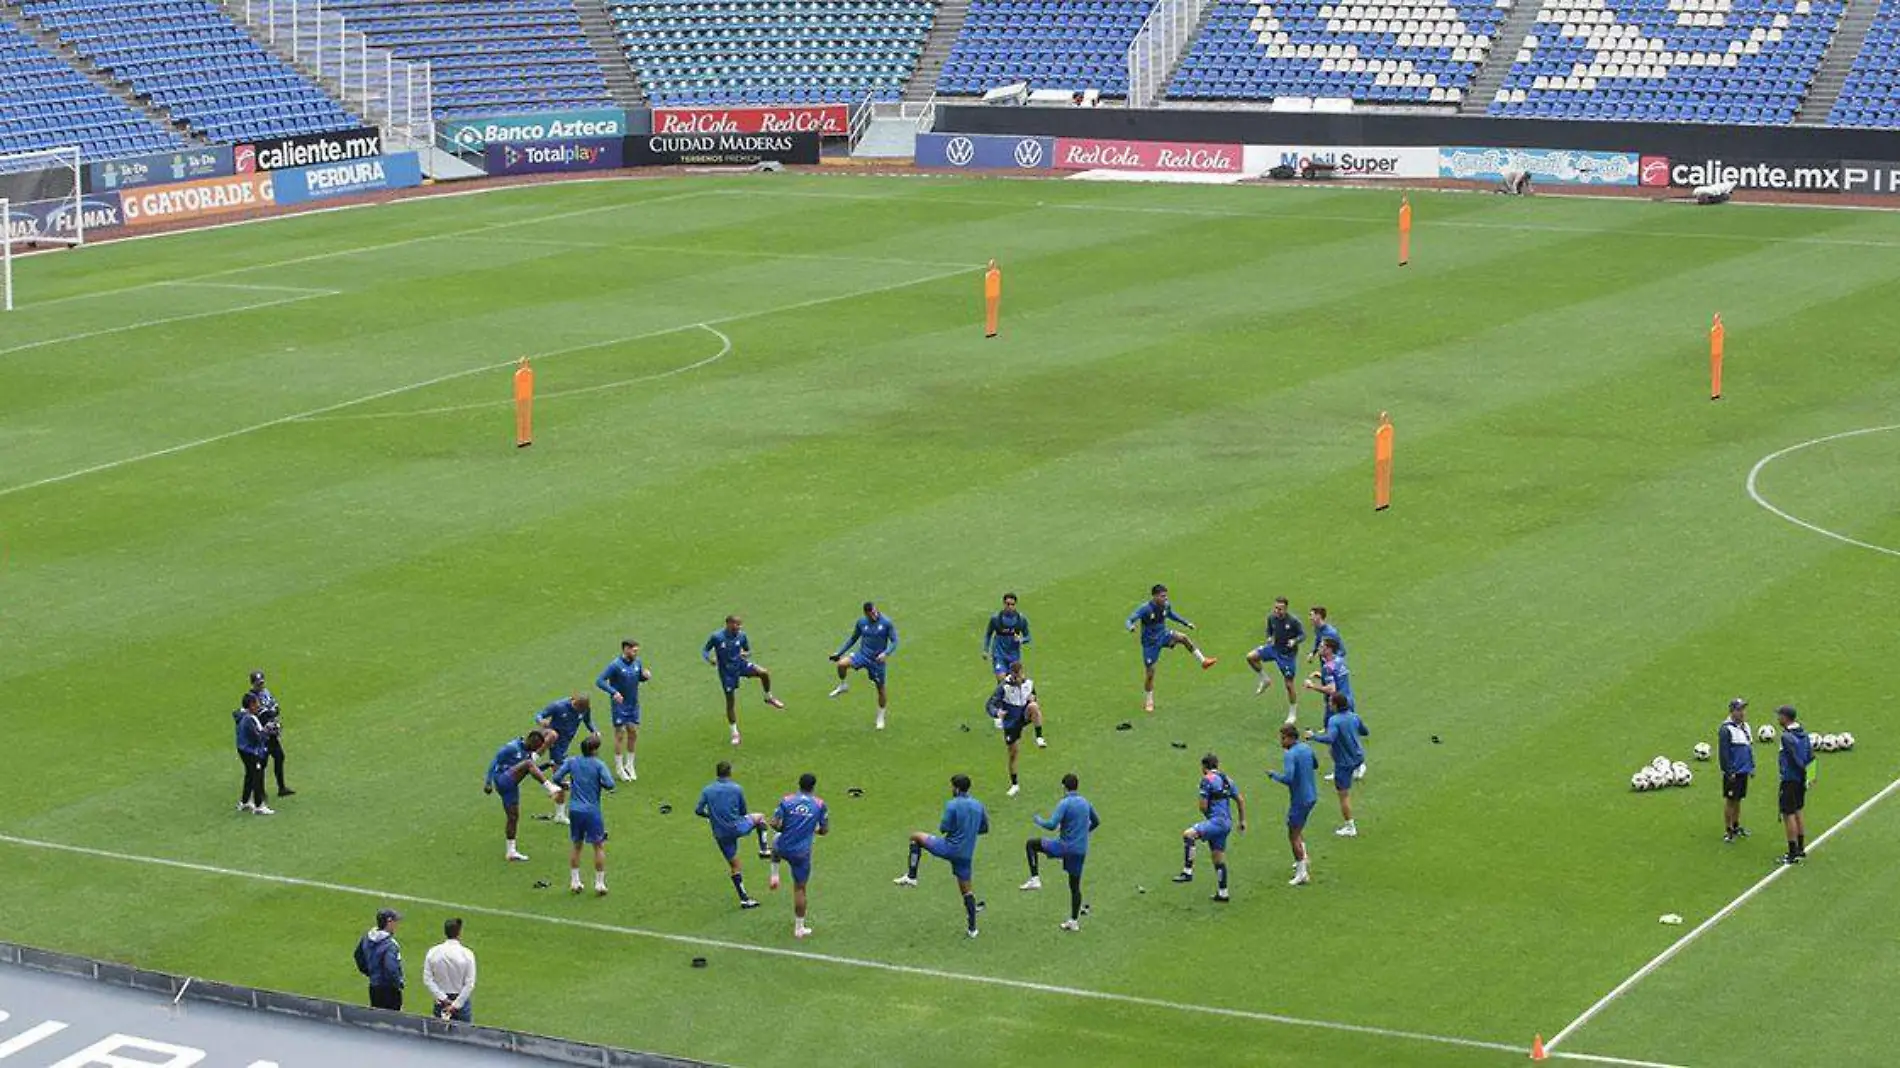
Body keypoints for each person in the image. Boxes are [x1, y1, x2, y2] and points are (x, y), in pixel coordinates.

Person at [893, 774, 990, 938]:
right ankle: (973, 929)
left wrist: (956, 830)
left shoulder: (952, 805)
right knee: (967, 890)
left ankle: (912, 876)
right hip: (966, 854)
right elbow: (984, 828)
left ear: (957, 788)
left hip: (949, 847)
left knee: (915, 837)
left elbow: (943, 828)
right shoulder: (978, 805)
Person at [1022, 773, 1100, 931]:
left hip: (1065, 847)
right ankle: (1073, 921)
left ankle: (1035, 878)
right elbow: (1096, 821)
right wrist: (1084, 832)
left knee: (1031, 844)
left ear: (1064, 787)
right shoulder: (1085, 802)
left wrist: (1038, 820)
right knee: (1075, 885)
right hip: (1080, 850)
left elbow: (1051, 825)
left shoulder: (1065, 803)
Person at [1125, 584, 1216, 713]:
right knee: (1150, 674)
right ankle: (1149, 701)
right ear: (1155, 596)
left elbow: (1171, 615)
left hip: (1164, 635)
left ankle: (1203, 661)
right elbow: (1129, 620)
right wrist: (1131, 627)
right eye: (1162, 596)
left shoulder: (1166, 605)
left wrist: (1186, 623)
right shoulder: (1145, 609)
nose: (1165, 598)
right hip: (1150, 644)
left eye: (1166, 595)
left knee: (1183, 638)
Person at [695, 761, 769, 909]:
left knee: (735, 865)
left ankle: (744, 899)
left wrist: (711, 816)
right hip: (736, 827)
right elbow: (743, 812)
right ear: (730, 772)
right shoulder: (736, 788)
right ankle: (764, 849)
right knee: (759, 817)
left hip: (720, 833)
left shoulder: (707, 790)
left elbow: (698, 810)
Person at [1173, 754, 1246, 902]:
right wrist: (1242, 820)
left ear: (1204, 767)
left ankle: (1187, 872)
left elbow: (1202, 806)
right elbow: (1240, 799)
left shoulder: (1207, 780)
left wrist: (1208, 817)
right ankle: (1223, 893)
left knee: (1188, 835)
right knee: (1218, 858)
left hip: (1216, 822)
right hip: (1226, 823)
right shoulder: (1227, 779)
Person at [703, 615, 784, 747]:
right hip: (727, 673)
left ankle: (768, 697)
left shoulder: (741, 636)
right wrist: (709, 659)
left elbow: (747, 650)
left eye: (740, 625)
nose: (739, 628)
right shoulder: (717, 637)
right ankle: (735, 733)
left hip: (740, 665)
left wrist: (746, 654)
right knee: (730, 702)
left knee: (764, 673)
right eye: (736, 625)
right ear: (728, 624)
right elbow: (704, 650)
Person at [554, 734, 617, 895]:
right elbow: (610, 784)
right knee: (598, 846)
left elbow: (556, 777)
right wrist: (599, 783)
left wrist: (567, 784)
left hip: (574, 809)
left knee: (577, 845)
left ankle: (575, 881)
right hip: (591, 811)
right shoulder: (598, 765)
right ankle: (599, 884)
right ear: (594, 750)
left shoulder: (572, 761)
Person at [769, 773, 829, 939]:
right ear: (813, 786)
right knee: (800, 889)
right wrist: (813, 829)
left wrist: (785, 830)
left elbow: (773, 823)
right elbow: (825, 830)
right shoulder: (819, 804)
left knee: (776, 841)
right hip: (801, 853)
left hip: (783, 847)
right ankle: (799, 928)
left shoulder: (787, 800)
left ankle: (774, 875)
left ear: (799, 784)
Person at [483, 729, 558, 862]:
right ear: (531, 740)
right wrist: (488, 782)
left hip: (511, 785)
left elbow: (533, 770)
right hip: (502, 779)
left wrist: (548, 764)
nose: (537, 750)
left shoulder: (527, 753)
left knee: (513, 816)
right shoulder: (512, 747)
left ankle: (511, 851)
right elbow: (495, 761)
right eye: (536, 746)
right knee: (528, 763)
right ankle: (550, 787)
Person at [829, 601, 899, 730]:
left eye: (874, 612)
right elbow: (853, 639)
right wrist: (839, 653)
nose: (873, 616)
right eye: (870, 614)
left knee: (881, 689)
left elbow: (895, 641)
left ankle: (880, 717)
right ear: (865, 614)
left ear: (875, 609)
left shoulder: (886, 623)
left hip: (877, 661)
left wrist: (886, 653)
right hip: (862, 656)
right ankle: (843, 685)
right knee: (841, 664)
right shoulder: (862, 623)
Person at [1309, 694, 1368, 837]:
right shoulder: (1354, 716)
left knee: (1343, 795)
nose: (1329, 704)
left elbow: (1330, 738)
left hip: (1344, 763)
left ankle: (1350, 827)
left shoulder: (1334, 720)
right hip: (1358, 756)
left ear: (1335, 705)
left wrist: (1313, 736)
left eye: (1330, 702)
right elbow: (1365, 732)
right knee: (1333, 749)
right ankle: (1359, 769)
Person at [1268, 724, 1319, 886]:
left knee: (1293, 834)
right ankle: (1304, 858)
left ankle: (1302, 872)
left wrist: (1274, 775)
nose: (1281, 741)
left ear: (1290, 738)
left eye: (1283, 738)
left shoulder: (1290, 755)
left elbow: (1289, 778)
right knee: (1298, 828)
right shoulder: (1307, 748)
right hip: (1311, 795)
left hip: (1300, 799)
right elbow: (1316, 765)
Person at [534, 695, 596, 824]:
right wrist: (541, 722)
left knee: (561, 780)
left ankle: (559, 812)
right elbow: (539, 715)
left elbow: (588, 721)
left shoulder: (584, 709)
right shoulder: (558, 706)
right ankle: (534, 758)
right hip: (555, 743)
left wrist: (594, 731)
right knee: (561, 778)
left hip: (564, 745)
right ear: (574, 703)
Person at [988, 661, 1045, 796]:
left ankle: (1039, 737)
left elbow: (1033, 696)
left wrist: (1033, 698)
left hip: (1023, 715)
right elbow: (990, 704)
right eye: (1014, 676)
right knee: (1013, 754)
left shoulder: (1029, 683)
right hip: (1011, 721)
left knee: (1034, 707)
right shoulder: (1004, 687)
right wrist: (997, 713)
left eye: (1018, 675)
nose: (1017, 678)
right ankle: (1014, 784)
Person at [596, 640, 651, 782]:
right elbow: (600, 681)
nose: (636, 653)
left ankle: (630, 765)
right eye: (633, 650)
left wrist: (644, 677)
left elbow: (638, 677)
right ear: (626, 649)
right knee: (619, 735)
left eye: (637, 651)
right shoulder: (615, 665)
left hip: (633, 704)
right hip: (620, 706)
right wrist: (613, 692)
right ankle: (619, 768)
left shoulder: (637, 662)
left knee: (633, 732)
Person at [1245, 598, 1305, 724]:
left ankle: (1292, 713)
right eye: (1275, 608)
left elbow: (1303, 635)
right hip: (1274, 648)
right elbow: (1269, 630)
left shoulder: (1293, 621)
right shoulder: (1271, 618)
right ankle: (1265, 679)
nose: (1276, 611)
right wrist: (1268, 638)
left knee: (1289, 685)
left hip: (1287, 655)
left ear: (1285, 609)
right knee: (1250, 657)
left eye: (1280, 609)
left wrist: (1295, 641)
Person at [1775, 705, 1813, 866]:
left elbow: (1794, 758)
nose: (1778, 718)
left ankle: (1792, 852)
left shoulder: (1787, 737)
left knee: (1788, 813)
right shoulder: (1803, 734)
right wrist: (1810, 777)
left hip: (1790, 779)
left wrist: (1800, 772)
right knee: (1798, 810)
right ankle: (1801, 848)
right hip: (1801, 781)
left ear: (1785, 717)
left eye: (1779, 715)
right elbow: (1811, 756)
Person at [247, 669, 293, 797]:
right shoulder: (251, 697)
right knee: (262, 763)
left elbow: (274, 706)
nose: (260, 685)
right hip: (262, 735)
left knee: (279, 757)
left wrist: (272, 712)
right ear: (252, 683)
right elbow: (259, 714)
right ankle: (260, 791)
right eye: (258, 683)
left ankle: (281, 788)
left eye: (261, 682)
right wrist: (269, 712)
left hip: (272, 733)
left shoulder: (266, 692)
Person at [422, 917, 476, 1023]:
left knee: (438, 1035)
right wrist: (456, 1005)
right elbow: (469, 983)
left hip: (441, 1002)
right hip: (461, 1002)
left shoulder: (433, 952)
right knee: (465, 1036)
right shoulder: (467, 954)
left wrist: (443, 998)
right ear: (459, 932)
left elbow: (427, 979)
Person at [1718, 697, 1754, 843]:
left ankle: (1736, 825)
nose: (1742, 712)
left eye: (1743, 709)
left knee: (1738, 799)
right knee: (1730, 800)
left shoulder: (1746, 727)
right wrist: (1729, 771)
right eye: (1739, 710)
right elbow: (1724, 753)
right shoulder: (1726, 729)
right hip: (1733, 772)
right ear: (1732, 711)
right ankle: (1728, 830)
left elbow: (1748, 748)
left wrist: (1751, 766)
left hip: (1743, 770)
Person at [354, 908, 404, 1011]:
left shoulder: (367, 938)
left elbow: (358, 956)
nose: (396, 925)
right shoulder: (390, 945)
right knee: (394, 1020)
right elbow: (391, 968)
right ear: (389, 922)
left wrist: (370, 972)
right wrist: (398, 982)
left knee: (376, 1017)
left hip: (374, 987)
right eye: (395, 922)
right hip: (389, 990)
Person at [234, 692, 273, 816]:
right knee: (257, 776)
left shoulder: (242, 716)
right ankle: (259, 805)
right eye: (256, 703)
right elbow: (257, 737)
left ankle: (245, 801)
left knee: (250, 775)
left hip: (243, 749)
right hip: (251, 751)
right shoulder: (250, 719)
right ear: (251, 705)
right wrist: (268, 731)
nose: (258, 705)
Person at [983, 593, 1032, 680]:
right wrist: (986, 650)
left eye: (1012, 604)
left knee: (1018, 681)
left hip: (1014, 656)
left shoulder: (1020, 620)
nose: (1009, 607)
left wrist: (1021, 640)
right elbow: (988, 634)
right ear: (1004, 604)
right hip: (999, 655)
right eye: (1007, 604)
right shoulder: (996, 619)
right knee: (1002, 679)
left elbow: (1028, 637)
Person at [1303, 637, 1353, 719]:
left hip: (1337, 704)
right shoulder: (1340, 660)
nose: (1319, 648)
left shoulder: (1328, 667)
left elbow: (1331, 689)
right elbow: (1338, 677)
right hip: (1348, 700)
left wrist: (1311, 686)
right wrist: (1321, 676)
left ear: (1329, 649)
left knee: (1333, 728)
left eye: (1322, 647)